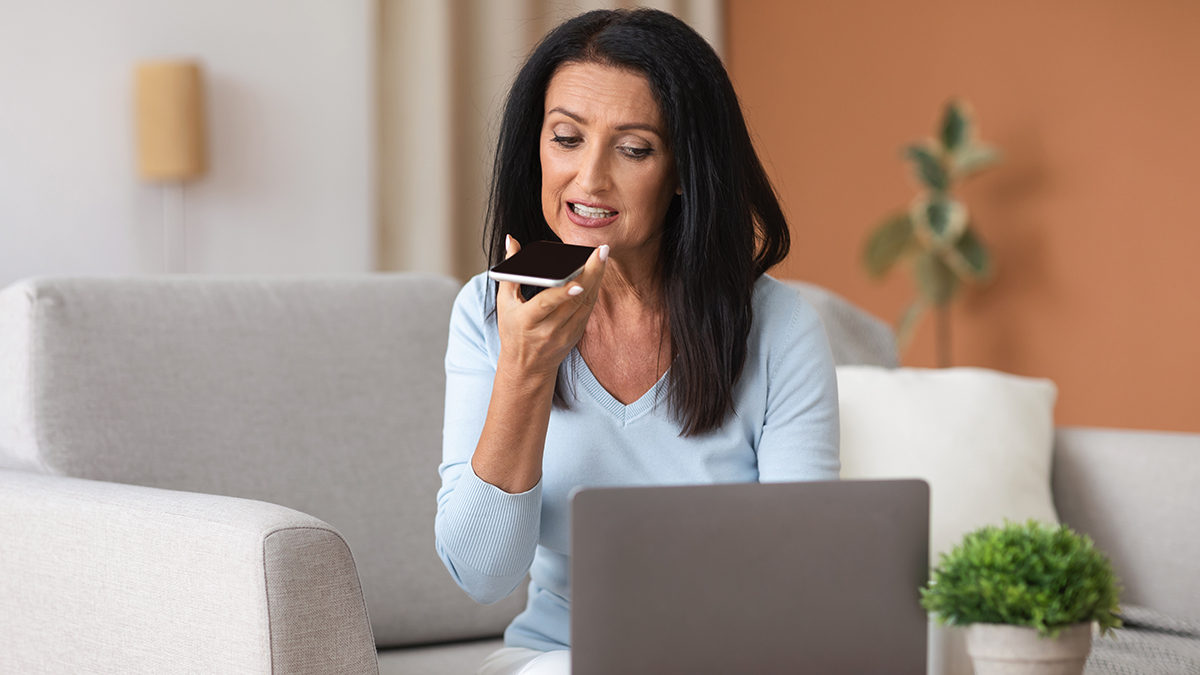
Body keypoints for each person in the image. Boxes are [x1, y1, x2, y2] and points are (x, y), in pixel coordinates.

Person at [434, 8, 840, 675]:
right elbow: (483, 573)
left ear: (683, 169)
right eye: (566, 137)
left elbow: (807, 574)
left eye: (633, 148)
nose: (589, 179)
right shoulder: (486, 311)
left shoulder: (780, 327)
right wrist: (525, 370)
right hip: (560, 658)